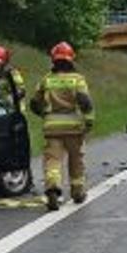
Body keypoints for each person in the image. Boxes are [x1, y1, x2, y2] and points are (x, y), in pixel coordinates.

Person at [28, 42, 94, 211]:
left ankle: (53, 188)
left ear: (54, 60)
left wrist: (44, 114)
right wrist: (88, 121)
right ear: (71, 59)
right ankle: (78, 191)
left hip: (52, 128)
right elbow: (85, 102)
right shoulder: (77, 79)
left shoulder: (47, 79)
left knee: (53, 160)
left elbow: (34, 103)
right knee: (76, 159)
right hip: (74, 127)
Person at [0, 45, 27, 115]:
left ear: (4, 62)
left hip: (12, 111)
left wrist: (9, 99)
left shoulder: (12, 74)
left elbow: (21, 90)